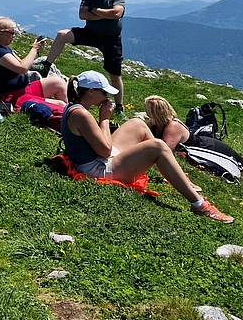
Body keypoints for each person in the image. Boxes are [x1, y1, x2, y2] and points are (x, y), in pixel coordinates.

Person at [61, 71, 233, 222]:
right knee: (158, 146)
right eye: (104, 92)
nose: (107, 97)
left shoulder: (75, 108)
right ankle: (199, 204)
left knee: (138, 124)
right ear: (91, 91)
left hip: (98, 158)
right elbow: (105, 151)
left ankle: (173, 173)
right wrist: (104, 118)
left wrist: (103, 119)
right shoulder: (81, 114)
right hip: (98, 169)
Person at [44, 0, 127, 107]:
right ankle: (46, 66)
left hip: (111, 38)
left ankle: (119, 106)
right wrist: (106, 15)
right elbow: (83, 15)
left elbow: (117, 14)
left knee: (115, 74)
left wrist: (94, 10)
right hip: (90, 32)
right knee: (62, 35)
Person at [145, 96, 243, 185]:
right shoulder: (154, 124)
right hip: (205, 146)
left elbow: (166, 151)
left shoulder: (173, 127)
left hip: (211, 149)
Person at [0, 17, 67, 108]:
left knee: (58, 82)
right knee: (61, 105)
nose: (14, 36)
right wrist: (34, 48)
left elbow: (22, 62)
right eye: (12, 33)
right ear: (1, 34)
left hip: (24, 88)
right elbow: (22, 68)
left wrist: (36, 51)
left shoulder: (4, 48)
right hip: (11, 96)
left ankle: (68, 114)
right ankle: (66, 116)